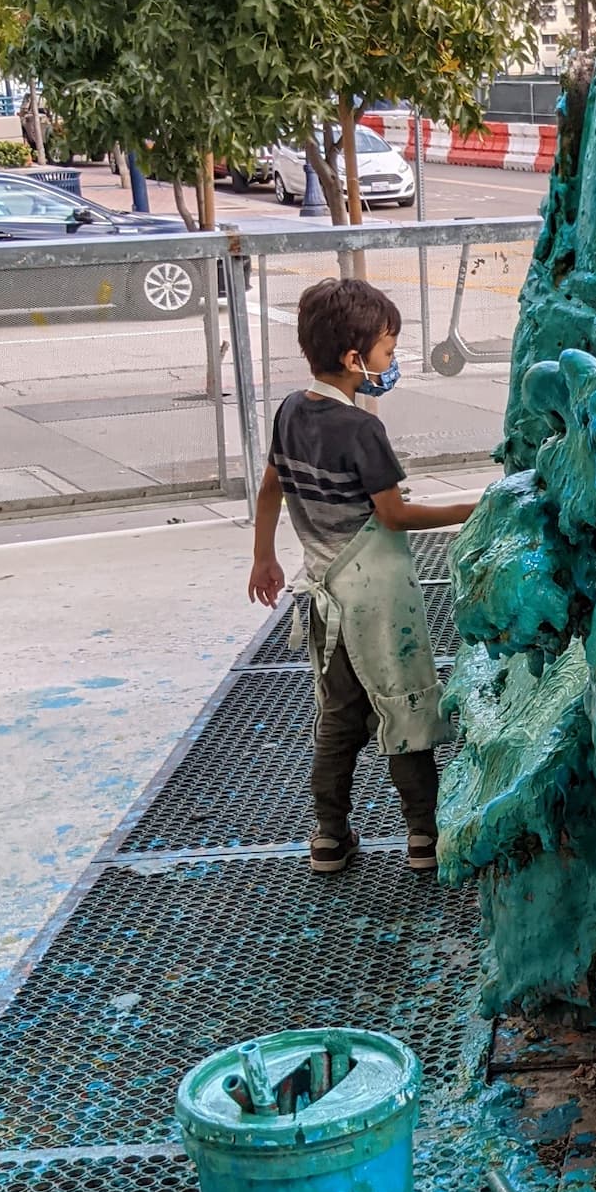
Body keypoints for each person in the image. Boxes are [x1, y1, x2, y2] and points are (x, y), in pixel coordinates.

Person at [246, 278, 474, 875]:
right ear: (355, 359)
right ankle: (424, 838)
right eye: (388, 351)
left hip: (322, 591)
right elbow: (393, 514)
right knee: (408, 710)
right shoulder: (362, 430)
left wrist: (263, 557)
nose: (390, 362)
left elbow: (271, 488)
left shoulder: (290, 410)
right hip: (377, 601)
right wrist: (475, 509)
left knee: (340, 718)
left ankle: (328, 836)